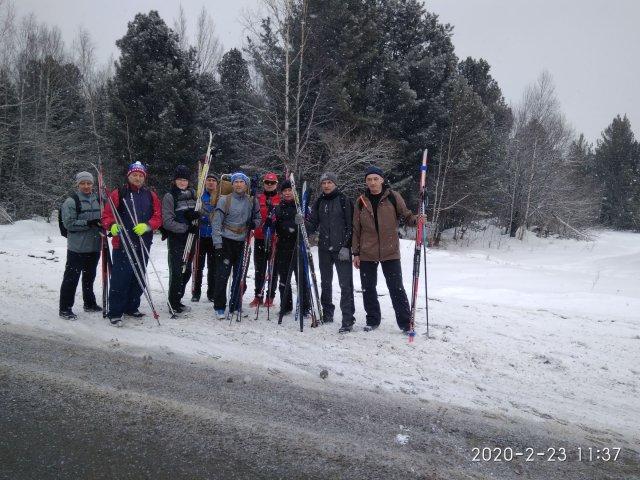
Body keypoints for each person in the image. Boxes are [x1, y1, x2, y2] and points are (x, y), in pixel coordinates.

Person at [352, 166, 425, 332]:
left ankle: (406, 323)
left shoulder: (393, 196)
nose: (372, 182)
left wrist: (417, 220)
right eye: (369, 179)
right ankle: (372, 320)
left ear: (382, 180)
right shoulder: (361, 201)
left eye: (375, 179)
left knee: (396, 287)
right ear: (366, 181)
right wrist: (356, 253)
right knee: (368, 288)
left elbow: (407, 216)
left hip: (390, 250)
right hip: (367, 252)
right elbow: (356, 229)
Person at [102, 161, 162, 327]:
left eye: (140, 175)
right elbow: (107, 215)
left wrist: (148, 226)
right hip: (123, 243)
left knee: (138, 276)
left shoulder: (150, 195)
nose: (137, 178)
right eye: (134, 175)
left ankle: (131, 306)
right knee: (121, 279)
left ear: (144, 178)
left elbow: (158, 217)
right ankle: (115, 311)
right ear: (129, 176)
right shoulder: (119, 193)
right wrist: (112, 226)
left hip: (143, 242)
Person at [306, 171, 355, 333]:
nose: (326, 185)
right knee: (325, 282)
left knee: (345, 284)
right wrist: (302, 223)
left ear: (335, 184)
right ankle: (327, 313)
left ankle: (348, 319)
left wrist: (347, 246)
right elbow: (313, 224)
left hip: (341, 249)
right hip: (324, 248)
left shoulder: (344, 200)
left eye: (329, 182)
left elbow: (351, 225)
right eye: (323, 183)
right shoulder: (319, 202)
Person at [211, 171, 261, 319]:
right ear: (232, 184)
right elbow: (216, 223)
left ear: (246, 185)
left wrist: (254, 223)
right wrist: (218, 244)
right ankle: (219, 306)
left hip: (243, 242)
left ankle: (235, 304)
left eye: (242, 182)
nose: (239, 184)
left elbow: (258, 217)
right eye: (236, 182)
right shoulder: (224, 200)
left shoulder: (252, 201)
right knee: (222, 276)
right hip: (226, 241)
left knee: (241, 277)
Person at [58, 171, 103, 319]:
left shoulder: (99, 200)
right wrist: (88, 223)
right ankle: (65, 308)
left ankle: (89, 303)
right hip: (77, 248)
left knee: (89, 277)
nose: (86, 186)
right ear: (78, 184)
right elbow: (69, 224)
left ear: (93, 184)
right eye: (83, 183)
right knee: (71, 278)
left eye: (89, 183)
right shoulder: (71, 202)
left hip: (95, 246)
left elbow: (105, 219)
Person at [161, 164, 198, 314]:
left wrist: (197, 215)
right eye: (180, 179)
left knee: (187, 271)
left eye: (185, 180)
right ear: (175, 180)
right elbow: (167, 221)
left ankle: (178, 298)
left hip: (191, 237)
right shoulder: (170, 196)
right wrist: (185, 226)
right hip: (177, 238)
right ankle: (173, 302)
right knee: (177, 271)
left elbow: (204, 210)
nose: (182, 182)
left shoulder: (194, 194)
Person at [274, 180, 310, 319]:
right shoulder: (278, 208)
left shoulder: (302, 206)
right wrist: (270, 223)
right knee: (284, 278)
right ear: (282, 193)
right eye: (285, 191)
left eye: (290, 190)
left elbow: (311, 224)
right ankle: (285, 305)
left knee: (301, 278)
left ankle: (305, 307)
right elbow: (273, 226)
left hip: (298, 246)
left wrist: (303, 222)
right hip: (283, 246)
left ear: (294, 192)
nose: (288, 193)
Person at [249, 172, 280, 308]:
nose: (269, 185)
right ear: (263, 183)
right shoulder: (258, 198)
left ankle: (270, 296)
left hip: (274, 239)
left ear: (276, 184)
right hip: (260, 238)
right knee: (259, 269)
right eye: (267, 182)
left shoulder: (281, 198)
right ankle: (258, 296)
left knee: (273, 269)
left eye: (272, 183)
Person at [191, 172, 219, 303]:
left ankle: (211, 293)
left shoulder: (219, 197)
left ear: (217, 183)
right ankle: (196, 292)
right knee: (198, 265)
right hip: (201, 236)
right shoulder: (200, 196)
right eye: (209, 180)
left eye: (213, 180)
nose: (211, 182)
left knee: (213, 266)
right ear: (205, 182)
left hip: (214, 236)